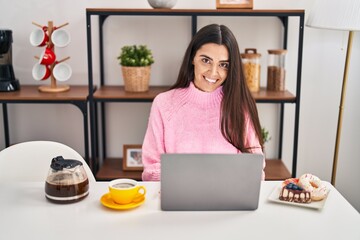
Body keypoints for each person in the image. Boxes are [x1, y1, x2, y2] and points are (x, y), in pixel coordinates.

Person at [142, 24, 265, 181]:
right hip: (179, 201)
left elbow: (256, 169)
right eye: (206, 60)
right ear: (192, 58)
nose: (213, 72)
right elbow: (151, 168)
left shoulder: (240, 107)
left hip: (229, 202)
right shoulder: (163, 104)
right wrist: (181, 185)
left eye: (223, 65)